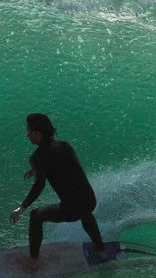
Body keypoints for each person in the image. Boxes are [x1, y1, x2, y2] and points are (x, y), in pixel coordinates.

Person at [9, 112, 107, 262]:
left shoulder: (37, 157)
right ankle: (101, 251)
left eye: (29, 131)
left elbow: (39, 185)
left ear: (37, 133)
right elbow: (62, 165)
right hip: (90, 201)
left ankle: (33, 261)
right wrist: (36, 169)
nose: (27, 135)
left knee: (35, 216)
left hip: (71, 209)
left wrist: (21, 208)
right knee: (85, 211)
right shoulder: (64, 146)